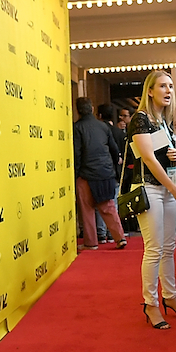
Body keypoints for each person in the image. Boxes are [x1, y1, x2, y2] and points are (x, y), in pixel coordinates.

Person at [129, 70, 176, 329]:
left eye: (171, 86)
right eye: (163, 86)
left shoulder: (164, 122)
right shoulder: (141, 119)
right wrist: (175, 189)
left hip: (167, 190)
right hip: (149, 190)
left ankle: (171, 297)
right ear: (150, 91)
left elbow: (164, 159)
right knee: (154, 250)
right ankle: (151, 304)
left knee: (168, 249)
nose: (168, 91)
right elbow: (148, 159)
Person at [72, 97, 126, 250]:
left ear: (77, 111)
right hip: (105, 172)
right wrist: (114, 167)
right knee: (108, 206)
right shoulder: (103, 127)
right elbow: (114, 150)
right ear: (93, 109)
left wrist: (76, 174)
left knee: (87, 209)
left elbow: (77, 153)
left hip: (86, 174)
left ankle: (91, 242)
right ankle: (120, 237)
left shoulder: (77, 127)